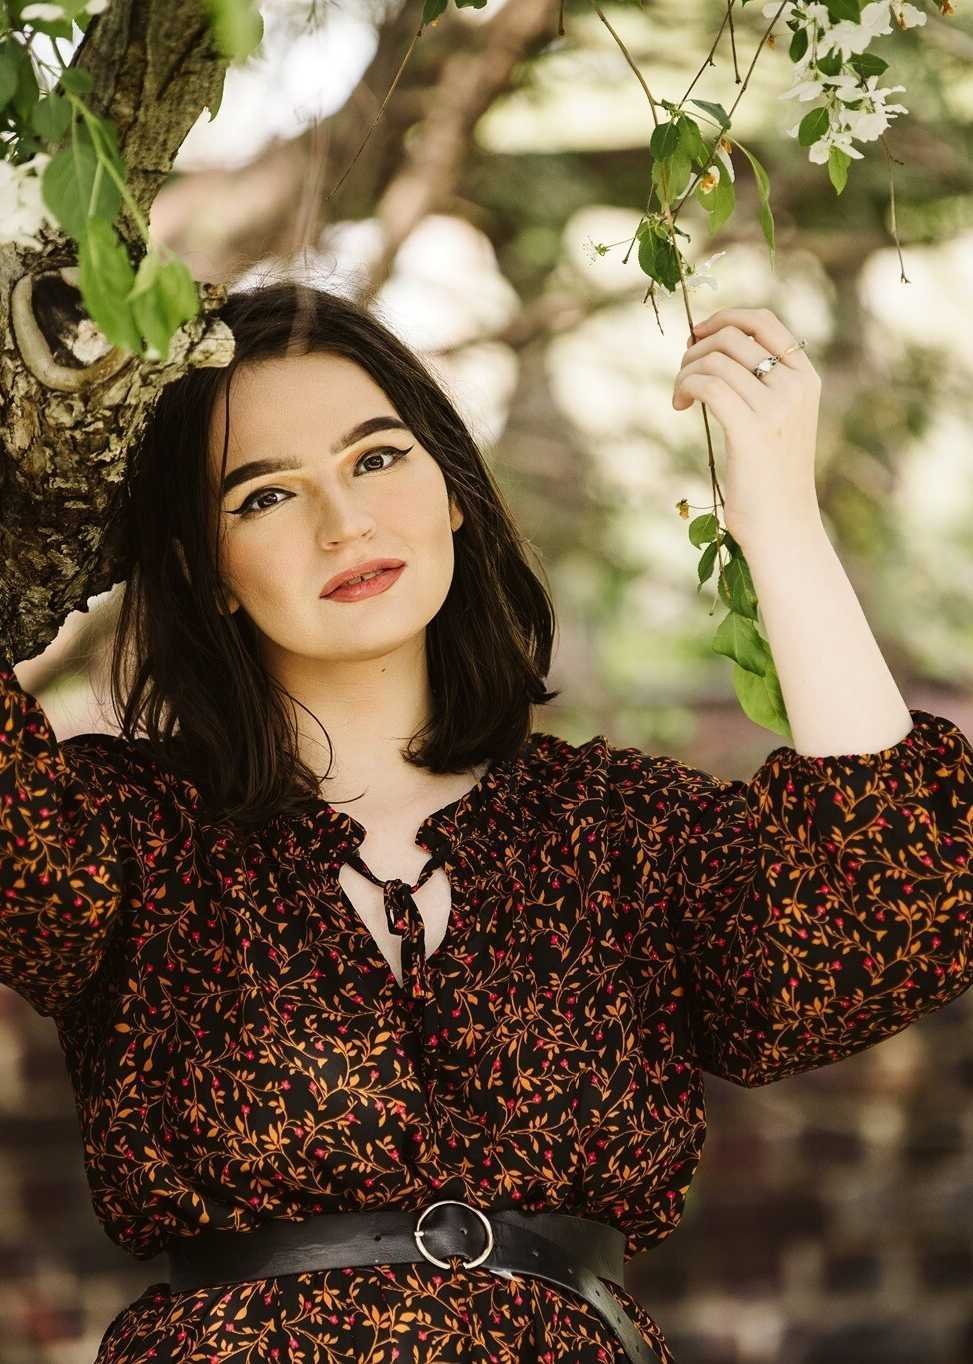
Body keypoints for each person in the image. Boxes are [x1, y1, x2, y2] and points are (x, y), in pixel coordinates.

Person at [2, 279, 972, 1364]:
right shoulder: (126, 833)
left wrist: (779, 519)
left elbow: (895, 905)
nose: (346, 521)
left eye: (376, 457)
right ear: (201, 566)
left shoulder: (616, 832)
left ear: (453, 490)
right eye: (263, 495)